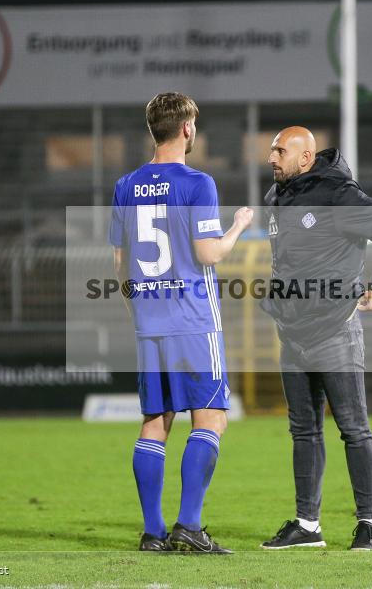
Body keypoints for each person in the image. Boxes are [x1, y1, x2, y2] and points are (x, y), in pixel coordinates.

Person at [109, 92, 253, 553]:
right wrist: (237, 227)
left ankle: (153, 533)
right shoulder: (198, 183)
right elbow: (207, 253)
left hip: (149, 322)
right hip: (193, 322)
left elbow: (119, 262)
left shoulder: (125, 185)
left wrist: (138, 310)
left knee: (155, 422)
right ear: (187, 129)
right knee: (209, 418)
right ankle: (189, 524)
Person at [259, 126, 372, 551]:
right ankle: (308, 526)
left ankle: (368, 524)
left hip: (335, 331)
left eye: (280, 151)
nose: (272, 157)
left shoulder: (336, 194)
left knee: (353, 429)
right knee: (303, 431)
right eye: (271, 150)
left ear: (306, 158)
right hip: (292, 334)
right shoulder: (275, 197)